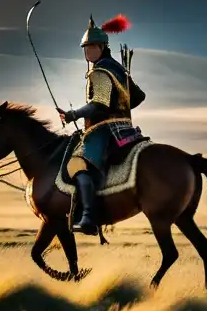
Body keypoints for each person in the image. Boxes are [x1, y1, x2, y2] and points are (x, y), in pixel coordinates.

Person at [57, 15, 145, 235]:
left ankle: (87, 217)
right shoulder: (118, 69)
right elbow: (139, 97)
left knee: (77, 164)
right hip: (126, 128)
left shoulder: (99, 71)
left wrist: (72, 114)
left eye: (91, 47)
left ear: (102, 47)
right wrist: (121, 104)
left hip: (104, 130)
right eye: (85, 47)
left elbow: (97, 105)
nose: (87, 52)